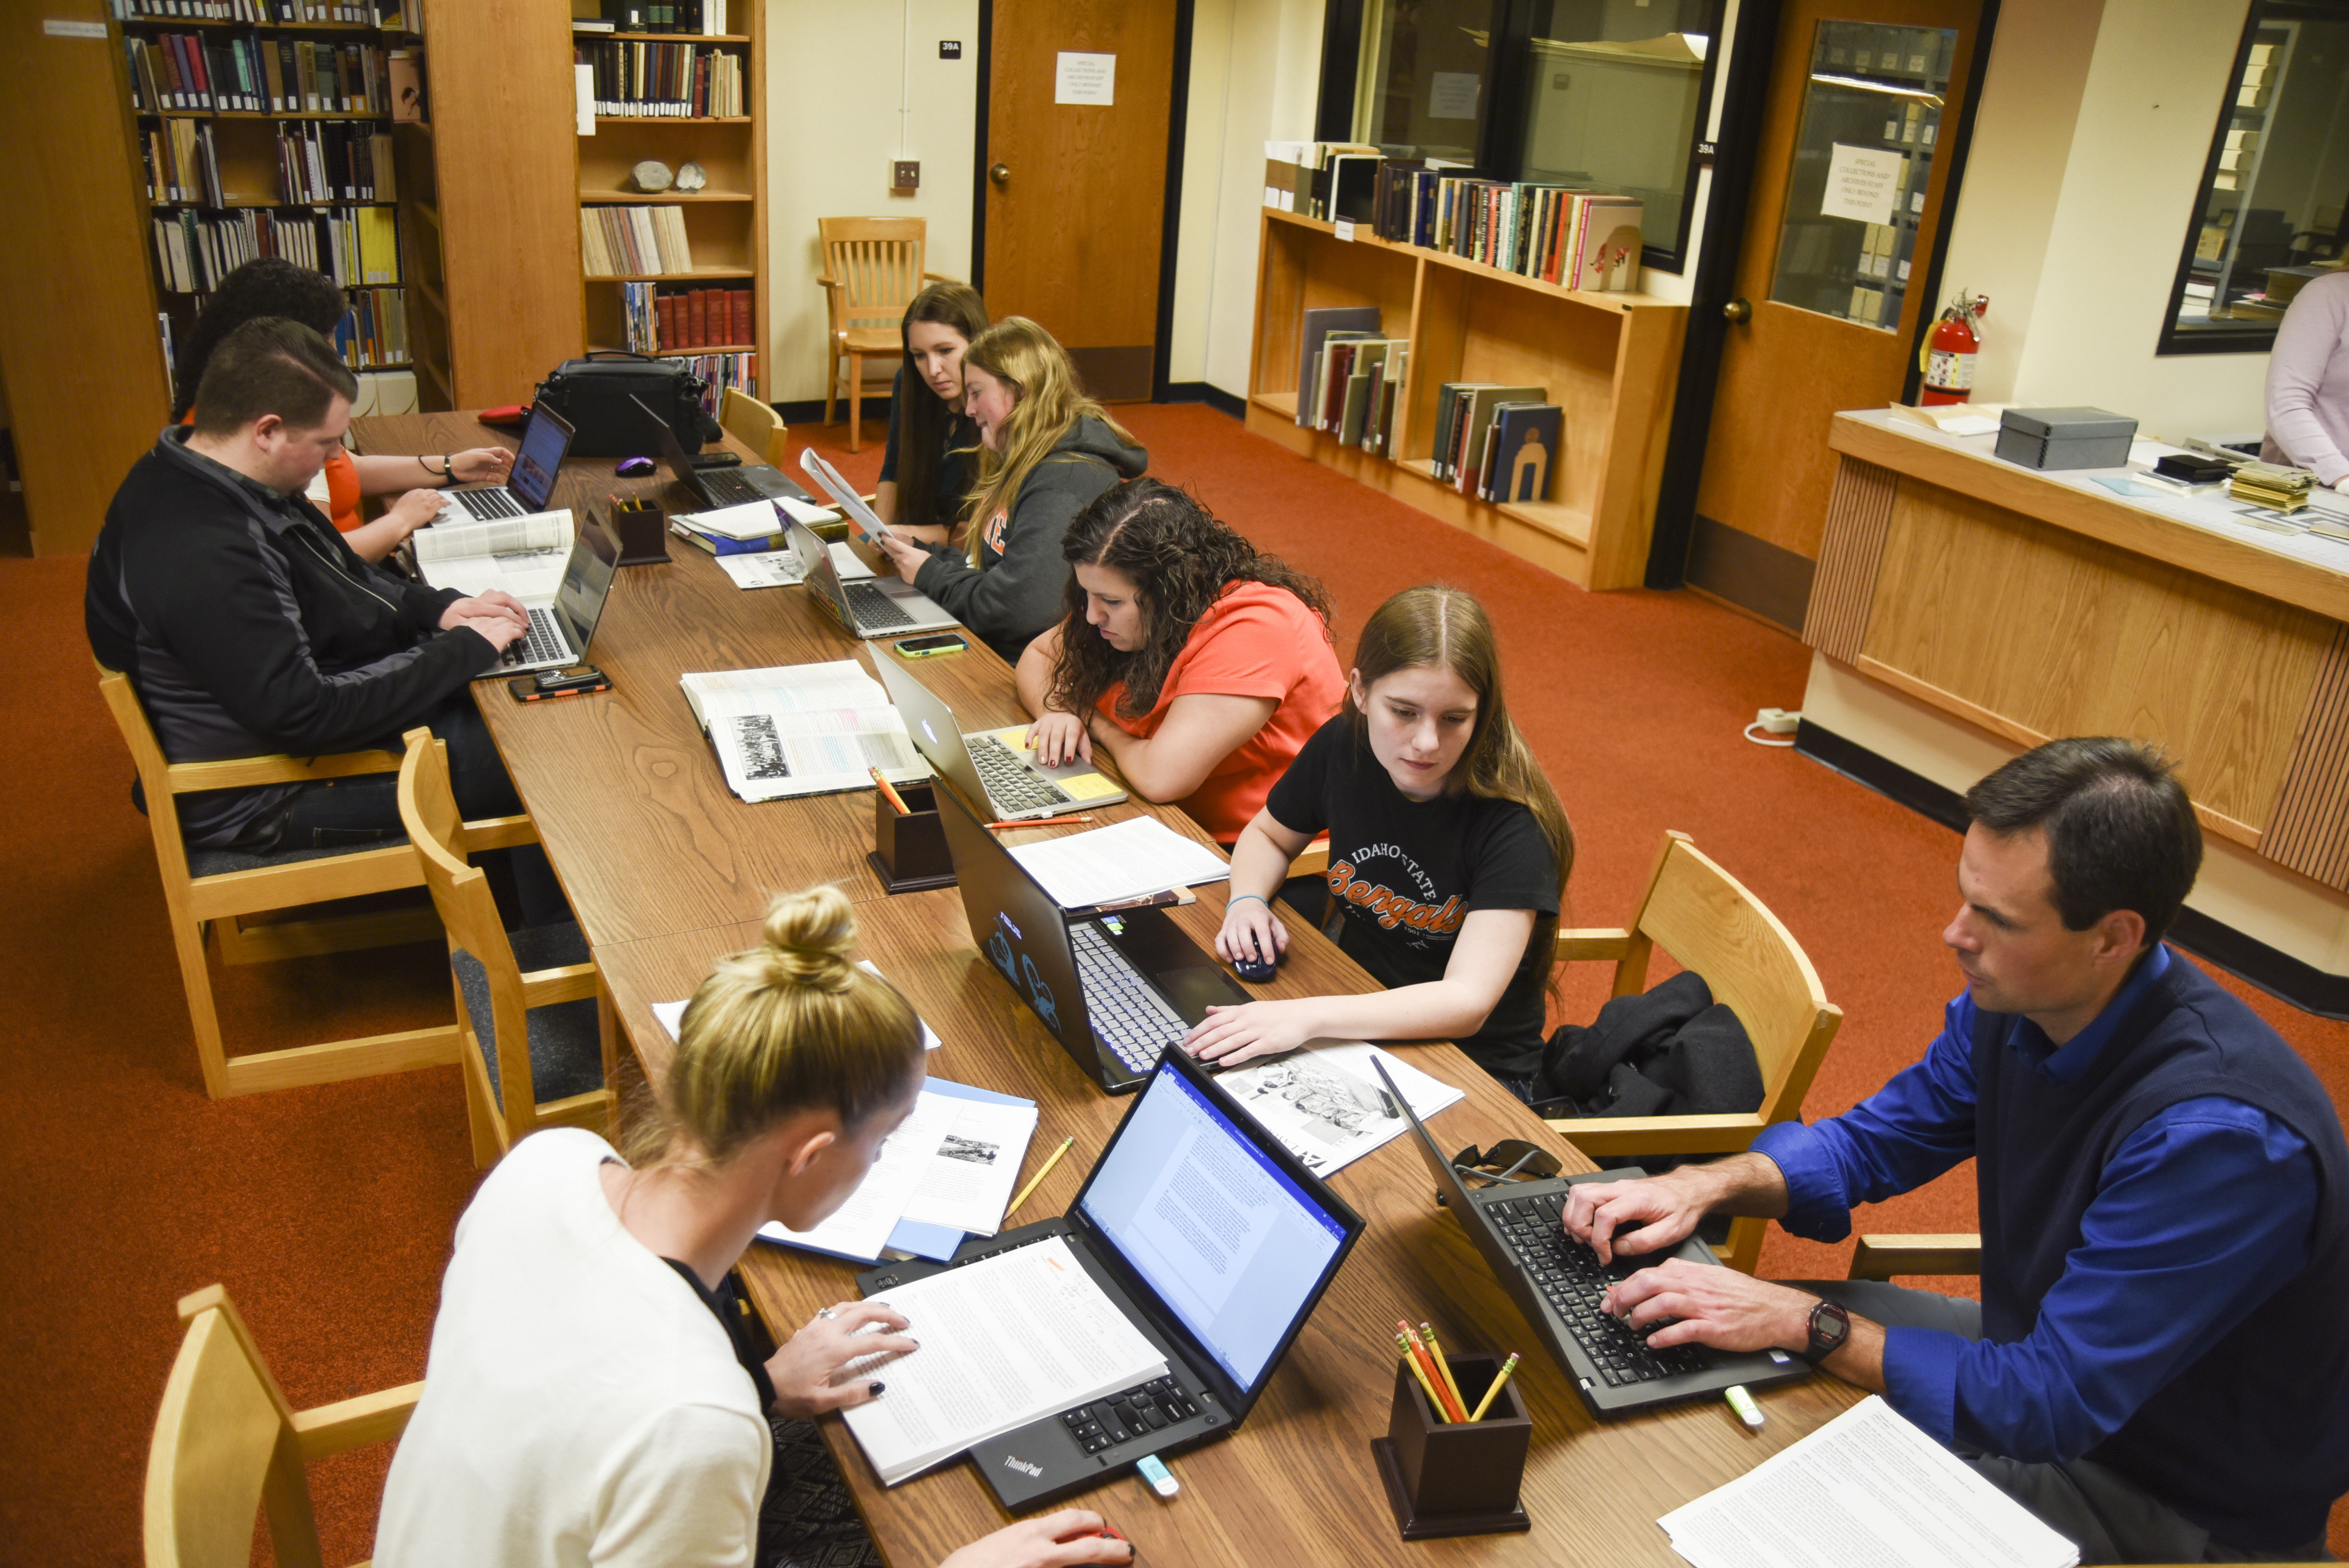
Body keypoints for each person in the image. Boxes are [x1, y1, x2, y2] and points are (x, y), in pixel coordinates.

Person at [1563, 738, 2349, 1563]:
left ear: (2113, 937)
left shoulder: (2221, 1143)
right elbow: (1881, 1136)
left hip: (2163, 1487)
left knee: (1778, 1471)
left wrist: (1804, 1324)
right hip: (2039, 1353)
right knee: (1706, 1338)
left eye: (1996, 919)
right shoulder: (2028, 994)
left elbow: (2049, 1404)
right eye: (1963, 897)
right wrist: (1706, 1185)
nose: (1953, 934)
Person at [374, 885, 1136, 1568]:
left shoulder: (548, 1163)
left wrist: (761, 1384)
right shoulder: (695, 1424)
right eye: (884, 1138)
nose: (880, 1160)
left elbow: (578, 1389)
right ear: (809, 1155)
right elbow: (658, 1417)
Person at [87, 317, 563, 919]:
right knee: (543, 760)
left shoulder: (208, 473)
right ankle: (556, 981)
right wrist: (462, 650)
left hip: (293, 731)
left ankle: (538, 928)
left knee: (529, 699)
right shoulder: (204, 551)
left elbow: (343, 573)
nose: (338, 458)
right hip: (266, 794)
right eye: (327, 443)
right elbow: (311, 715)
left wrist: (440, 608)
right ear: (267, 430)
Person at [1182, 586, 1576, 1098]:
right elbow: (1269, 837)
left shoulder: (1514, 824)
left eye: (1454, 719)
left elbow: (1466, 1002)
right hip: (1353, 1004)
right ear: (1361, 692)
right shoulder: (1343, 745)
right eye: (1404, 712)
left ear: (1484, 711)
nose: (1427, 742)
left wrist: (1306, 1018)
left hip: (1471, 1064)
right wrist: (1248, 901)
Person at [1014, 478, 1344, 846]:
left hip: (1260, 854)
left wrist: (1093, 722)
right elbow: (1038, 656)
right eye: (1087, 594)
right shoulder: (1120, 608)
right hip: (1164, 821)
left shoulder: (1257, 625)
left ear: (1170, 588)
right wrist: (1057, 712)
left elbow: (1160, 778)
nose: (1092, 616)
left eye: (1111, 601)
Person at [173, 258, 515, 561]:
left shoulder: (243, 408)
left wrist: (450, 467)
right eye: (327, 340)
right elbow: (326, 557)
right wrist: (400, 520)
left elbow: (346, 470)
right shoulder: (277, 435)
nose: (336, 352)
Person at [870, 317, 1146, 665]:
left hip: (1027, 666)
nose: (969, 409)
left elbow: (1019, 608)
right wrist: (926, 554)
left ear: (1020, 390)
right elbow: (995, 571)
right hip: (999, 646)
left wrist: (930, 574)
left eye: (976, 393)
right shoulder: (1028, 456)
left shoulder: (1065, 480)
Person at [874, 280, 988, 542]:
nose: (932, 370)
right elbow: (893, 470)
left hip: (966, 558)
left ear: (978, 343)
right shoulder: (910, 382)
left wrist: (903, 536)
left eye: (945, 351)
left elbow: (979, 535)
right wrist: (877, 535)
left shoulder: (999, 403)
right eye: (919, 355)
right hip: (912, 543)